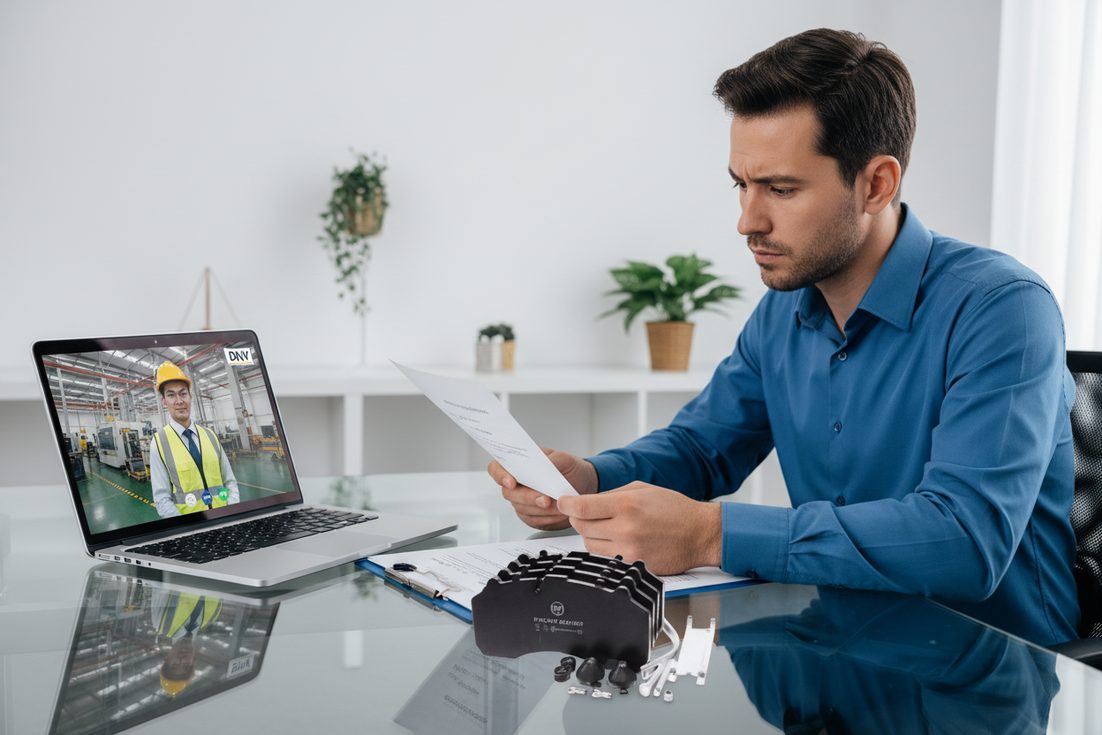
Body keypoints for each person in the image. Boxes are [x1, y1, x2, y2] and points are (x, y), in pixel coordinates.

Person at [488, 28, 1079, 646]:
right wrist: (590, 479)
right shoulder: (785, 309)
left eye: (781, 189)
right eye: (741, 185)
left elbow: (964, 540)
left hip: (990, 665)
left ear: (877, 184)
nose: (748, 220)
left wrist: (712, 534)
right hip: (836, 647)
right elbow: (702, 449)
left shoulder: (1002, 308)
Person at [149, 360, 240, 518]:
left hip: (225, 518)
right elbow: (162, 499)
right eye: (171, 395)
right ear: (164, 401)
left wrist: (231, 512)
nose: (179, 401)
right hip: (191, 526)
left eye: (183, 393)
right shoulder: (158, 443)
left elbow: (230, 482)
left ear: (190, 396)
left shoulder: (210, 435)